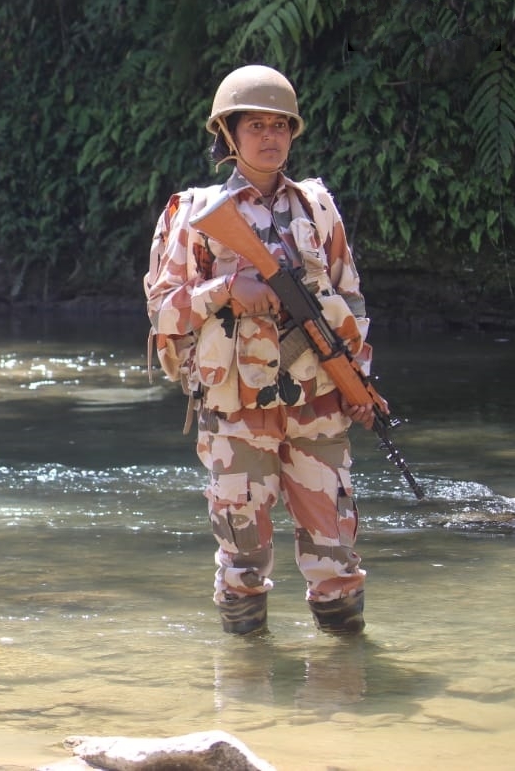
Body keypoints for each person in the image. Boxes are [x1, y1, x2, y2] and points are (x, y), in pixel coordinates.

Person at [144, 65, 374, 636]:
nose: (270, 137)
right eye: (255, 126)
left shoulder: (318, 209)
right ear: (229, 134)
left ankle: (346, 683)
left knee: (337, 556)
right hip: (237, 411)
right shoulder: (196, 215)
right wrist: (227, 291)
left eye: (281, 126)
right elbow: (163, 309)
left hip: (318, 405)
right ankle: (247, 699)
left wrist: (360, 383)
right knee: (242, 560)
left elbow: (350, 299)